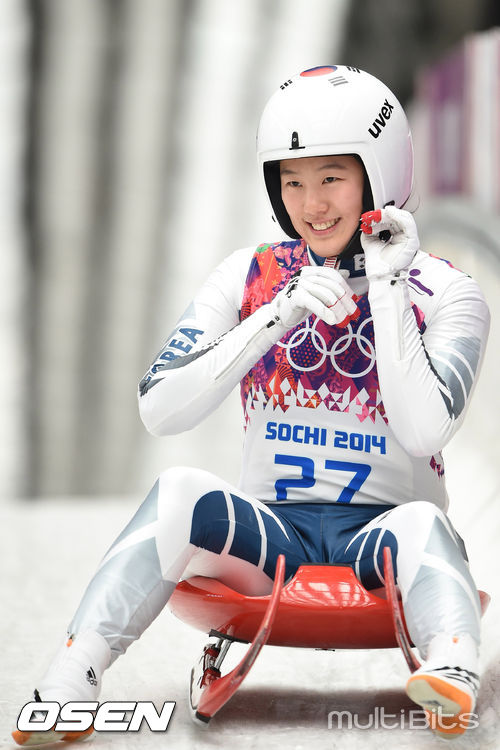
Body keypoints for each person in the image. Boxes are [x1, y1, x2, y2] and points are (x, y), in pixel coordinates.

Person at [13, 64, 490, 745]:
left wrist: (386, 285)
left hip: (385, 543)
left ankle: (453, 665)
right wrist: (274, 314)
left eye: (331, 177)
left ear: (379, 174)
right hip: (273, 540)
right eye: (291, 181)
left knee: (424, 521)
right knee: (178, 488)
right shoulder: (248, 274)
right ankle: (71, 678)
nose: (311, 204)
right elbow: (159, 409)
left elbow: (424, 431)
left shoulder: (448, 292)